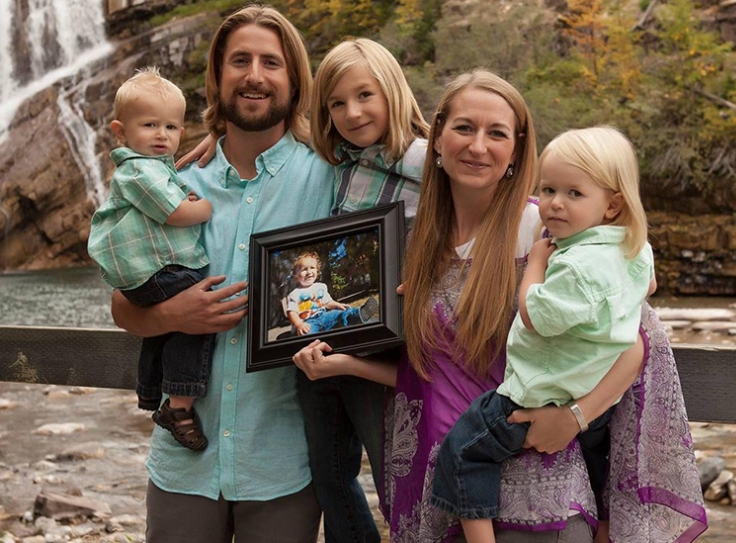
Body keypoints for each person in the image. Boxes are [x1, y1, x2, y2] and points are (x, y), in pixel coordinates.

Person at [295, 69, 707, 542]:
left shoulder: (548, 233)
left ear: (516, 150)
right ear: (437, 138)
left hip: (538, 498)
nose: (478, 146)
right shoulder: (415, 244)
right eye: (464, 128)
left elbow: (636, 342)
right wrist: (346, 365)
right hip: (445, 495)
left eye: (496, 133)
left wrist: (574, 417)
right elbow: (437, 376)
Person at [181, 36, 430, 542]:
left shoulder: (432, 162)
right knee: (330, 475)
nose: (352, 113)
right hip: (318, 355)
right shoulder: (336, 160)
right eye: (337, 103)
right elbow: (272, 136)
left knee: (400, 478)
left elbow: (496, 202)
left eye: (365, 95)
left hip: (390, 353)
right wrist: (219, 133)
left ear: (393, 91)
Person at [109, 6, 335, 541]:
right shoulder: (173, 184)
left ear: (294, 80)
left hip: (283, 460)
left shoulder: (329, 176)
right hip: (184, 463)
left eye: (270, 63)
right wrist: (173, 314)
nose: (254, 75)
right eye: (240, 61)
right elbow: (122, 306)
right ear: (217, 76)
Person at [429, 126, 656, 543]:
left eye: (574, 193)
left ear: (612, 205)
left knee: (462, 450)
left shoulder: (572, 265)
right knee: (598, 457)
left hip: (539, 392)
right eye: (548, 189)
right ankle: (606, 526)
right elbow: (649, 286)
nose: (554, 203)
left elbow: (535, 316)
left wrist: (535, 264)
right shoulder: (634, 247)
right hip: (596, 398)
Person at [88, 67, 214, 452]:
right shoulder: (139, 170)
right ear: (120, 132)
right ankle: (179, 405)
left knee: (167, 328)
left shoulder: (155, 168)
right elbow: (175, 213)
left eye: (171, 127)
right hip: (154, 272)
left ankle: (150, 392)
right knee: (201, 313)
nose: (162, 135)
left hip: (145, 273)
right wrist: (206, 207)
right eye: (149, 125)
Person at [286, 250, 377, 335]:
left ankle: (359, 314)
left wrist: (338, 305)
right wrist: (299, 324)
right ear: (296, 276)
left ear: (317, 271)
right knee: (306, 333)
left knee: (340, 314)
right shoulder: (295, 294)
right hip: (308, 322)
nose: (309, 272)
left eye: (312, 268)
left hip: (324, 316)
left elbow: (327, 302)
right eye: (304, 269)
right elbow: (291, 312)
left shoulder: (320, 287)